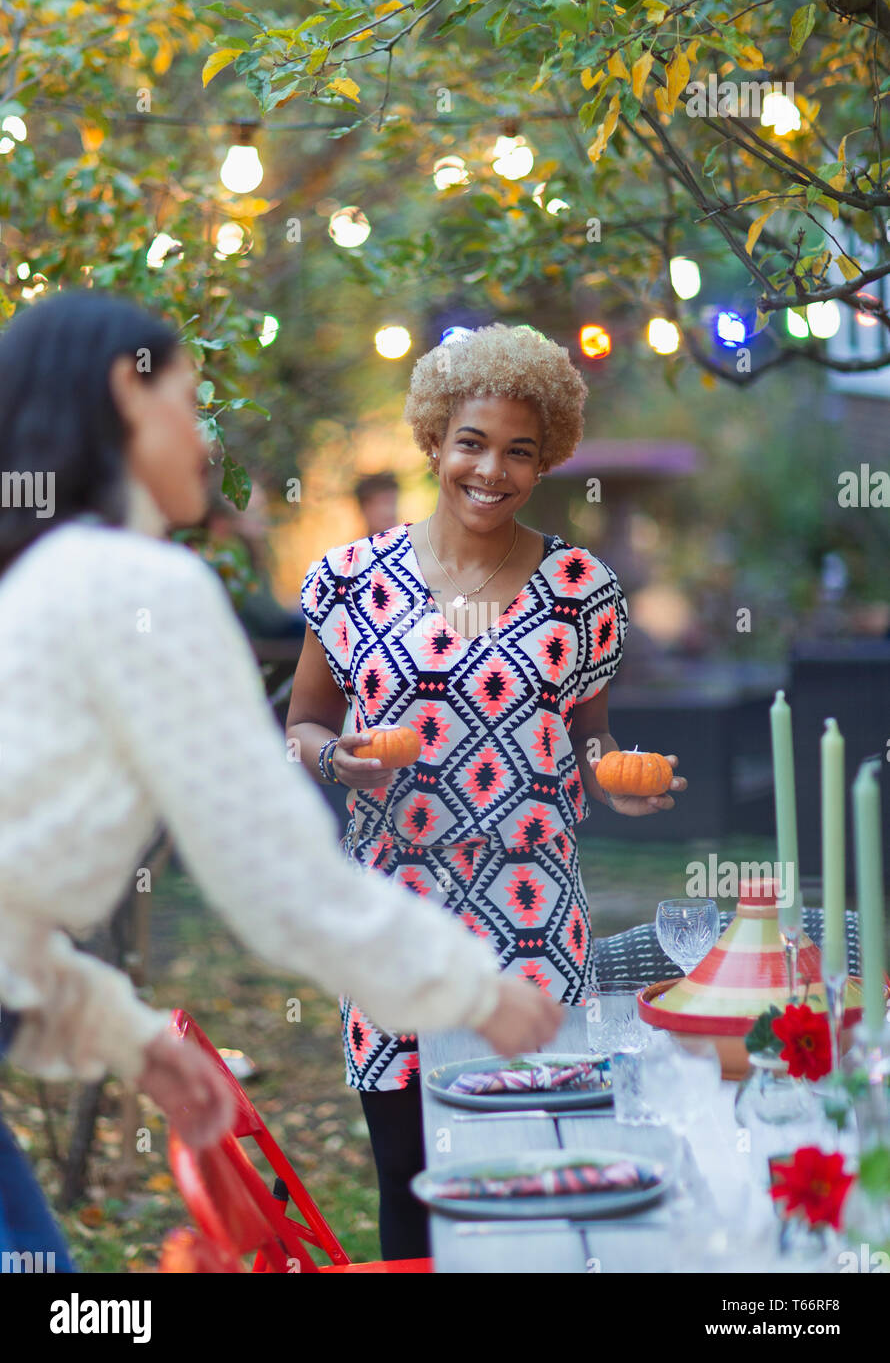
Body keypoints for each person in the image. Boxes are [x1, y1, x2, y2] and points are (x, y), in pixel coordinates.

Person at [0, 292, 561, 1269]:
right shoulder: (134, 587)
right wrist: (475, 992)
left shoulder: (53, 578)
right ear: (122, 397)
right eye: (186, 397)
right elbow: (282, 879)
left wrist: (138, 1040)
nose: (204, 438)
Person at [287, 322, 688, 1259]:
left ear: (546, 461)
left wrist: (618, 781)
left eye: (520, 451)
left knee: (540, 1164)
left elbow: (589, 738)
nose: (491, 471)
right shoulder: (348, 582)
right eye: (471, 442)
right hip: (394, 906)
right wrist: (336, 760)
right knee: (409, 1177)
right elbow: (301, 725)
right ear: (433, 440)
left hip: (534, 912)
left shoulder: (579, 588)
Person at [354, 471, 400, 538]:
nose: (392, 510)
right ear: (365, 508)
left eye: (394, 502)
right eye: (385, 502)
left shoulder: (413, 543)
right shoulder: (357, 547)